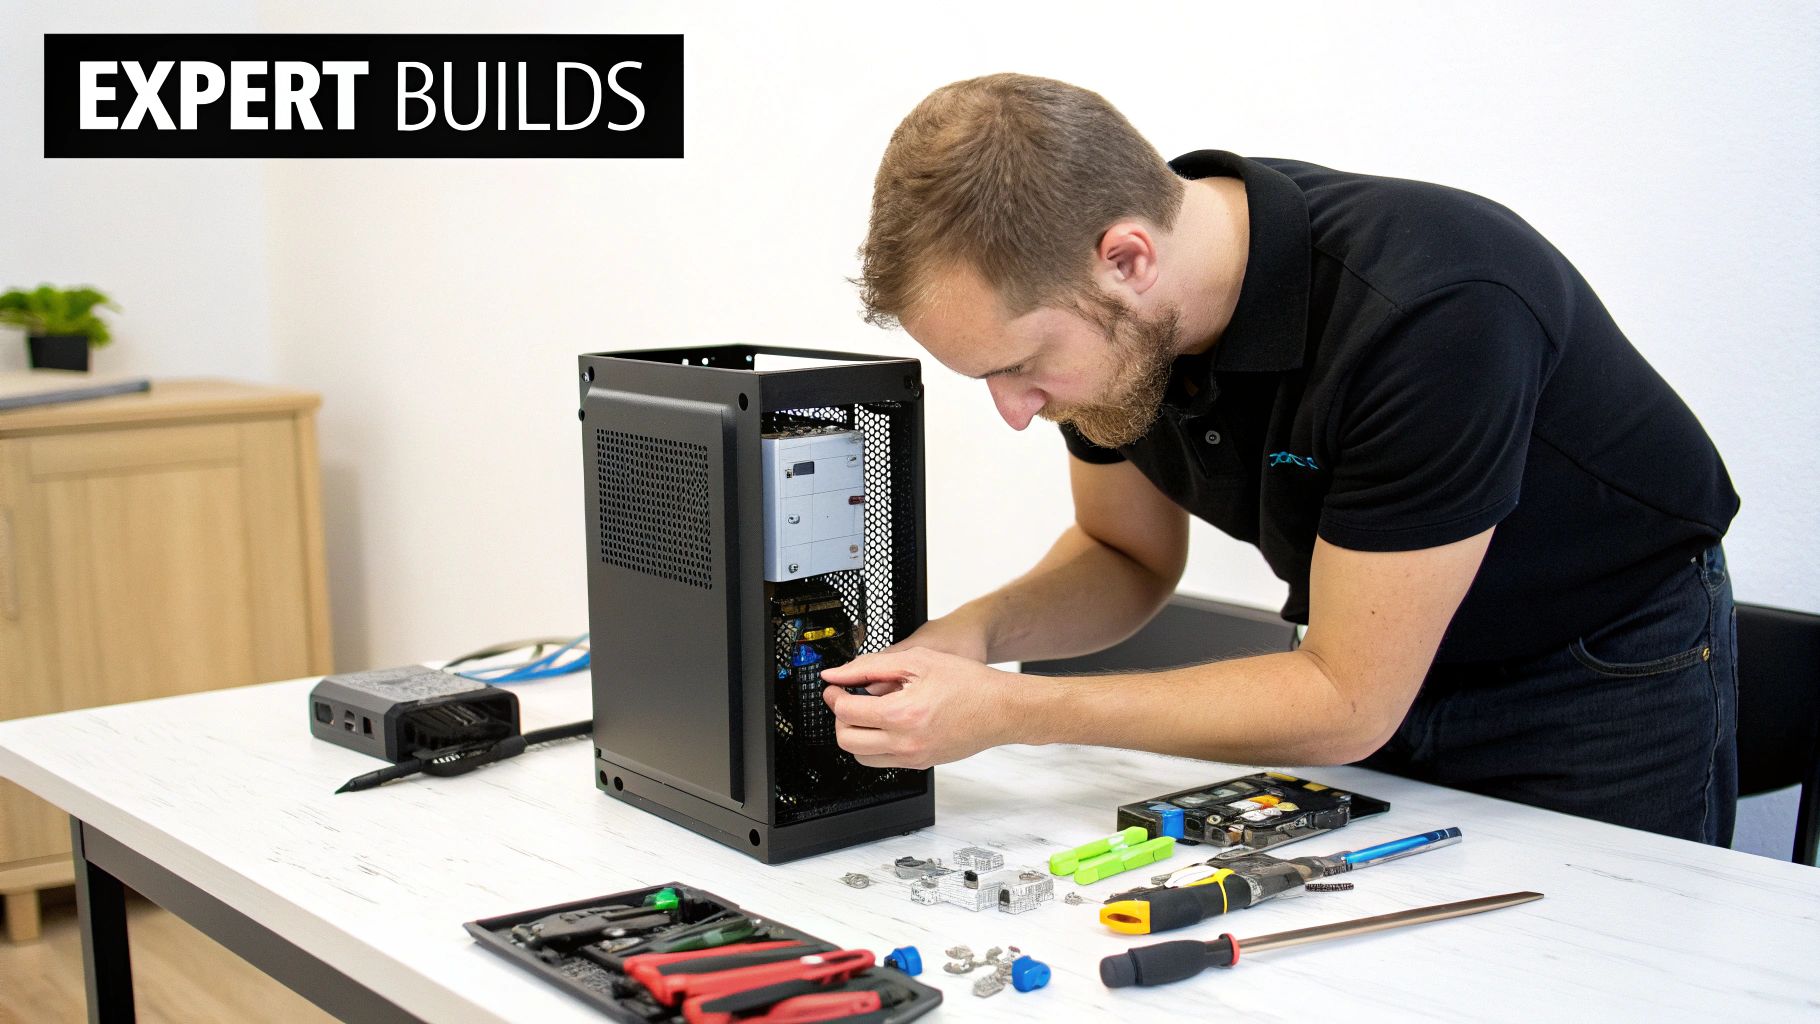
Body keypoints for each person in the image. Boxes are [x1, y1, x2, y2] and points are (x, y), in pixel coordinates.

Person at [823, 73, 1741, 844]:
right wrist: (972, 639)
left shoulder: (1434, 310)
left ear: (1128, 257)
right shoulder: (1116, 335)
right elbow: (1124, 557)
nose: (1016, 412)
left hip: (1598, 666)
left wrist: (1010, 712)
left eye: (1020, 367)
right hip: (1361, 669)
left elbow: (1345, 700)